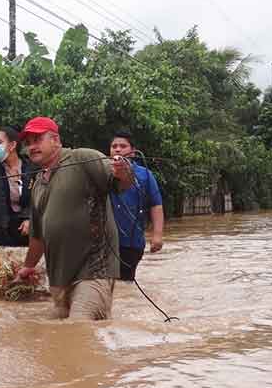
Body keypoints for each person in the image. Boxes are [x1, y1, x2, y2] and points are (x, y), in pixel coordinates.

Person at [13, 117, 132, 320]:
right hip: (60, 279)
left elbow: (121, 183)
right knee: (54, 338)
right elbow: (38, 236)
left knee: (79, 329)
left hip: (95, 270)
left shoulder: (82, 158)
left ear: (56, 140)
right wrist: (28, 267)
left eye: (37, 139)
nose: (32, 146)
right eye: (28, 142)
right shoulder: (38, 184)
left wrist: (122, 171)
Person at [108, 130, 164, 282]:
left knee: (124, 285)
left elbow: (156, 205)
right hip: (105, 242)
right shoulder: (102, 171)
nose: (117, 149)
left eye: (123, 146)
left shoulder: (145, 175)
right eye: (114, 146)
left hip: (132, 242)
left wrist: (157, 235)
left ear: (132, 152)